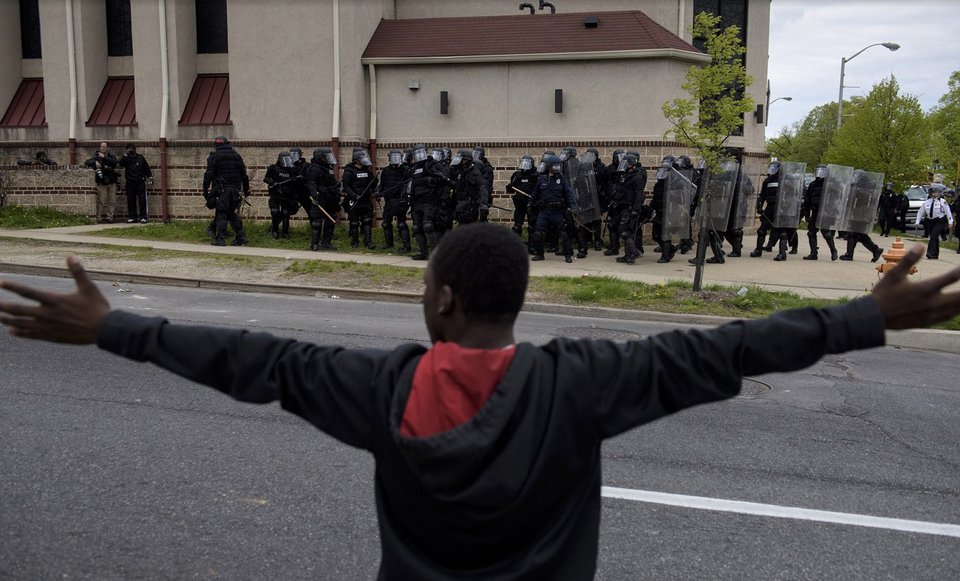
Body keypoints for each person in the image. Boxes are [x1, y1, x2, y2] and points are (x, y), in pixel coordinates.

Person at [2, 225, 960, 580]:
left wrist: (113, 326)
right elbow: (728, 349)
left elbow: (253, 360)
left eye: (426, 284)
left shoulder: (378, 388)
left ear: (446, 297)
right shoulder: (582, 382)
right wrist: (861, 316)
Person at [202, 136, 249, 247]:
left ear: (216, 145)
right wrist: (246, 190)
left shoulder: (214, 156)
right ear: (228, 144)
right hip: (235, 190)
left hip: (222, 190)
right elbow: (244, 176)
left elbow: (208, 175)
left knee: (222, 213)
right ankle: (241, 237)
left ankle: (221, 239)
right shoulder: (237, 156)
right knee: (231, 214)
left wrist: (205, 190)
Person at [529, 154, 577, 263]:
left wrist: (572, 207)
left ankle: (568, 255)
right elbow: (535, 193)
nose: (556, 168)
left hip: (558, 212)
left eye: (557, 166)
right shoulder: (542, 179)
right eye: (554, 166)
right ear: (548, 167)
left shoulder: (562, 179)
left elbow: (569, 194)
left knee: (564, 234)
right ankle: (540, 254)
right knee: (537, 233)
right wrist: (530, 204)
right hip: (544, 211)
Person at [406, 144, 441, 260]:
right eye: (417, 153)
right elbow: (409, 184)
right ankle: (423, 253)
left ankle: (436, 255)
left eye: (421, 153)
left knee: (428, 226)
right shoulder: (413, 168)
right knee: (416, 227)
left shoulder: (432, 164)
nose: (419, 156)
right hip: (417, 202)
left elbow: (442, 179)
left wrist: (430, 180)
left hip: (429, 200)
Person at [302, 147, 341, 251]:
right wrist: (315, 196)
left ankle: (326, 242)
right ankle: (314, 244)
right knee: (317, 221)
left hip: (331, 198)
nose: (329, 158)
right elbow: (311, 183)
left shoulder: (328, 169)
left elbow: (330, 183)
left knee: (331, 219)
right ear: (321, 158)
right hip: (321, 198)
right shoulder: (314, 168)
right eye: (326, 157)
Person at [612, 153, 647, 265]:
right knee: (625, 231)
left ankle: (633, 253)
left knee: (625, 231)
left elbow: (639, 195)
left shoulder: (638, 177)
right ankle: (628, 255)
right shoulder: (627, 175)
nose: (625, 166)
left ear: (632, 164)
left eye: (627, 164)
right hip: (623, 206)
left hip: (630, 208)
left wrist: (635, 210)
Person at [800, 164, 839, 261]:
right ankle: (813, 253)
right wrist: (807, 213)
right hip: (815, 211)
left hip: (825, 212)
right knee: (811, 232)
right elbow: (807, 199)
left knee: (826, 233)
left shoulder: (829, 184)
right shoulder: (813, 184)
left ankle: (833, 251)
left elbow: (836, 198)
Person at [377, 150, 411, 254]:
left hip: (400, 200)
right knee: (386, 223)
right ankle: (389, 244)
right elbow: (382, 184)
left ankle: (406, 246)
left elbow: (409, 185)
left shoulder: (405, 170)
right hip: (389, 201)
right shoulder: (386, 171)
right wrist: (378, 192)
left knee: (401, 223)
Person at [263, 151, 299, 239]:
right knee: (275, 211)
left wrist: (295, 180)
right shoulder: (273, 168)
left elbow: (295, 182)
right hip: (275, 194)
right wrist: (273, 182)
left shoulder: (292, 169)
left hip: (286, 195)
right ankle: (275, 231)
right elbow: (266, 178)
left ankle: (285, 232)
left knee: (286, 213)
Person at [505, 155, 538, 249]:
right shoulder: (517, 175)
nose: (525, 165)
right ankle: (515, 246)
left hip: (531, 204)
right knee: (517, 225)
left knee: (532, 226)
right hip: (519, 204)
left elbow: (539, 190)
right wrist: (509, 187)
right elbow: (511, 189)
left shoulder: (535, 175)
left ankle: (533, 247)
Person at [914, 186, 954, 259]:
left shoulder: (942, 202)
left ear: (939, 193)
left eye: (936, 192)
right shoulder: (927, 202)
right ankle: (935, 254)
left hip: (939, 221)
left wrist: (950, 222)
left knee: (933, 235)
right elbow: (920, 212)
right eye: (933, 192)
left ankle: (930, 253)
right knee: (934, 238)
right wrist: (917, 221)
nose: (935, 193)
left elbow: (948, 212)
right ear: (930, 193)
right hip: (930, 221)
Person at [750, 160, 780, 258]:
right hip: (770, 207)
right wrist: (759, 205)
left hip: (780, 209)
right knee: (762, 230)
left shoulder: (784, 180)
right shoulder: (767, 180)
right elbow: (762, 195)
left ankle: (781, 252)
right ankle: (758, 250)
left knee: (781, 231)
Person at [117, 144, 153, 223]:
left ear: (135, 149)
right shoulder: (126, 158)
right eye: (129, 149)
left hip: (140, 181)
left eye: (132, 149)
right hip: (130, 181)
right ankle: (132, 217)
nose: (131, 150)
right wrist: (125, 155)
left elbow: (146, 167)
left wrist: (150, 177)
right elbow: (121, 163)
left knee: (142, 200)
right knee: (130, 200)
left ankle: (143, 217)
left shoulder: (140, 157)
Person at [84, 142, 119, 224]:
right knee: (101, 201)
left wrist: (105, 157)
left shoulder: (111, 157)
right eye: (101, 146)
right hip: (102, 182)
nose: (102, 148)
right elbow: (87, 162)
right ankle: (99, 217)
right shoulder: (96, 156)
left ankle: (109, 217)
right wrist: (94, 162)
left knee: (112, 201)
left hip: (111, 181)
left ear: (108, 148)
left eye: (104, 146)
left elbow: (115, 163)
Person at [472, 146, 494, 223]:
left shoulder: (486, 167)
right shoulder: (473, 165)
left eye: (477, 154)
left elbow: (486, 184)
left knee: (482, 218)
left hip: (483, 196)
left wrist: (483, 198)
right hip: (474, 196)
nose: (475, 155)